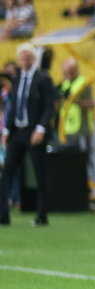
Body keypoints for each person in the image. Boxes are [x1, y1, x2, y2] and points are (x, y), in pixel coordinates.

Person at [0, 43, 55, 226]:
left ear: (33, 58)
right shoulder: (16, 79)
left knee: (40, 174)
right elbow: (13, 106)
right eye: (22, 56)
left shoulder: (43, 79)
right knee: (6, 172)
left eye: (28, 56)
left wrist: (40, 128)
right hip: (18, 132)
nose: (25, 59)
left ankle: (42, 215)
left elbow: (49, 106)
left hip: (34, 132)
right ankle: (3, 214)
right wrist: (7, 130)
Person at [56, 57, 94, 152]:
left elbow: (91, 104)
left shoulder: (83, 83)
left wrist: (73, 100)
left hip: (81, 130)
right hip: (66, 129)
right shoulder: (64, 84)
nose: (67, 74)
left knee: (83, 159)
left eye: (70, 71)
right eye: (65, 72)